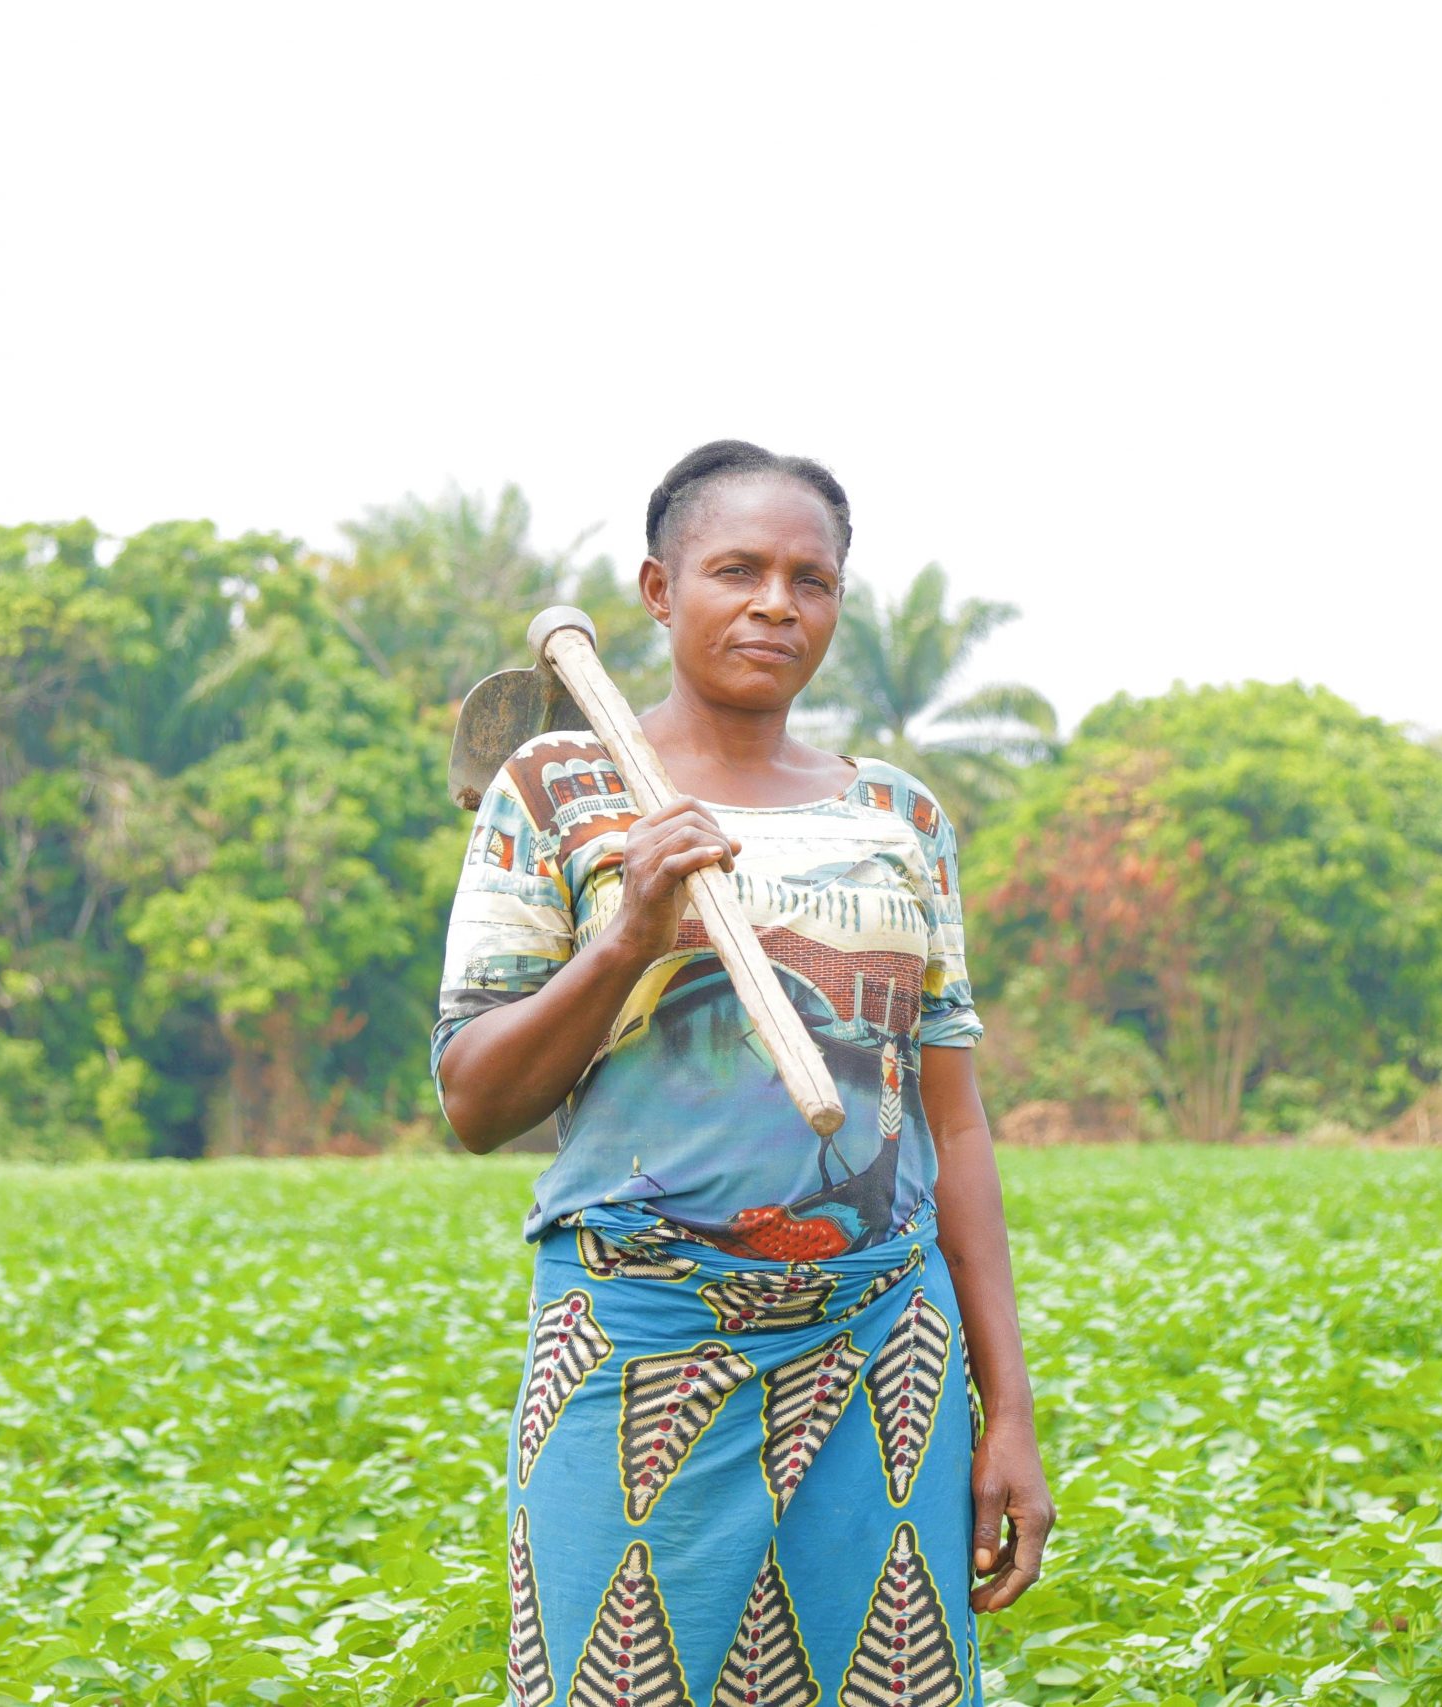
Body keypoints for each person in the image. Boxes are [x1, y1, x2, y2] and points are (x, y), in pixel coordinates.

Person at [431, 440, 1054, 1705]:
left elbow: (956, 1129)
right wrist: (628, 938)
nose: (776, 602)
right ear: (659, 592)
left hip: (887, 1333)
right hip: (643, 1327)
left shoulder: (898, 816)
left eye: (808, 579)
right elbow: (475, 1100)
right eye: (737, 570)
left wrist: (1010, 1412)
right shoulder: (558, 788)